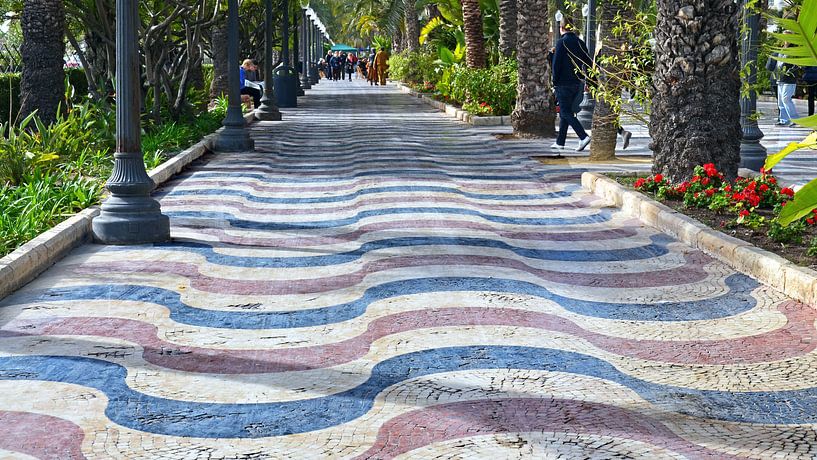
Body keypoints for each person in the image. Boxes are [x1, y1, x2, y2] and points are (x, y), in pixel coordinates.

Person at [550, 20, 592, 152]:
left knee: (565, 112)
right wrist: (591, 80)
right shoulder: (580, 43)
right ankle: (560, 142)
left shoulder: (561, 42)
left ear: (561, 28)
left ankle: (583, 136)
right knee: (565, 112)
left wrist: (554, 81)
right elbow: (588, 62)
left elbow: (556, 65)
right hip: (577, 83)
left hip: (563, 83)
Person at [776, 59, 800, 126]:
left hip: (789, 80)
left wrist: (789, 72)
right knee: (780, 102)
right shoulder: (780, 52)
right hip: (780, 79)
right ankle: (784, 120)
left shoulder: (793, 52)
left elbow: (797, 65)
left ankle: (795, 119)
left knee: (786, 99)